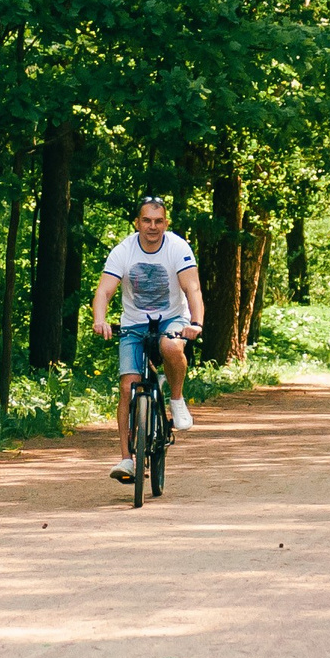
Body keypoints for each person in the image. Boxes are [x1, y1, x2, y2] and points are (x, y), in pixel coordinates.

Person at [91, 198, 203, 483]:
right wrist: (100, 319)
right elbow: (104, 291)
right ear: (137, 223)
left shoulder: (178, 248)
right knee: (127, 387)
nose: (152, 227)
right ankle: (127, 459)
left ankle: (176, 400)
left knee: (169, 346)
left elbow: (192, 288)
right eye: (146, 221)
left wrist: (195, 323)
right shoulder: (123, 251)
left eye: (158, 221)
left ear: (165, 223)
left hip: (172, 319)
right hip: (134, 324)